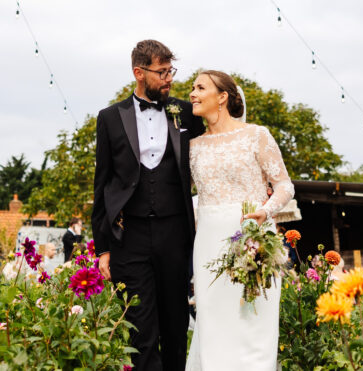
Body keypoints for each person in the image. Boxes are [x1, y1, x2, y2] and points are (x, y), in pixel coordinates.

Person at [92, 40, 205, 371]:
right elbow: (102, 184)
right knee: (139, 329)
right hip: (130, 237)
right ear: (138, 73)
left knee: (174, 325)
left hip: (175, 234)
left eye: (171, 70)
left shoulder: (185, 112)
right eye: (162, 72)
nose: (169, 78)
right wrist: (103, 248)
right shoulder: (110, 118)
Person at [185, 70, 294, 371]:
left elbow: (285, 184)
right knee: (213, 324)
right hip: (208, 241)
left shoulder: (257, 135)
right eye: (192, 87)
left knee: (252, 322)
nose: (192, 93)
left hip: (252, 237)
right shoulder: (192, 147)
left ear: (222, 97)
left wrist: (266, 210)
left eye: (200, 87)